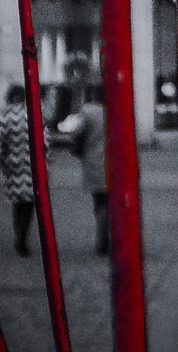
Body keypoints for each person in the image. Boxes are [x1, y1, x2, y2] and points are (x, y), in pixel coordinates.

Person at [0, 84, 39, 256]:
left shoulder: (3, 115)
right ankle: (22, 238)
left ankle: (18, 233)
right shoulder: (33, 113)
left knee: (17, 202)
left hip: (12, 165)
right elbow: (44, 141)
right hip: (32, 165)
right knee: (29, 203)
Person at [62, 84, 108, 255]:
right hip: (115, 162)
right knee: (110, 203)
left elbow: (76, 132)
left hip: (94, 161)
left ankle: (102, 241)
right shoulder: (115, 109)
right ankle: (109, 238)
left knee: (100, 202)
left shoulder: (88, 111)